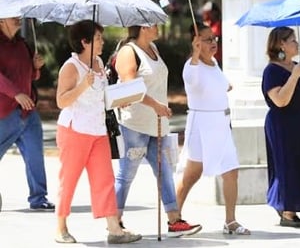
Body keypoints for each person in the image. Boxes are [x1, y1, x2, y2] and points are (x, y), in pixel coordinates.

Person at [55, 20, 141, 244]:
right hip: (75, 131)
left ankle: (114, 229)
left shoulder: (99, 62)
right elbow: (61, 101)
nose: (103, 42)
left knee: (105, 180)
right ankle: (61, 227)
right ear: (84, 42)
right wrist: (82, 85)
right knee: (69, 180)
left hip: (98, 130)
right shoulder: (70, 67)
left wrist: (118, 100)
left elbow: (101, 96)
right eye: (98, 38)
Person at [114, 25, 201, 238]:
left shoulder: (153, 48)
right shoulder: (129, 51)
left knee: (164, 172)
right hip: (135, 124)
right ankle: (114, 222)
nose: (158, 26)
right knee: (127, 174)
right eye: (153, 23)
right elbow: (130, 87)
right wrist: (156, 105)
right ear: (143, 27)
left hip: (157, 124)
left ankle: (174, 220)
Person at [175, 22, 250, 235]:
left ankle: (230, 220)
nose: (213, 42)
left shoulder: (214, 63)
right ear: (196, 42)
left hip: (221, 125)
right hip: (201, 126)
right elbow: (192, 81)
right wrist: (196, 54)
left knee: (231, 171)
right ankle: (174, 216)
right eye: (208, 39)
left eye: (214, 38)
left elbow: (224, 84)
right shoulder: (192, 65)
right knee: (191, 174)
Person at [261, 27, 300, 228]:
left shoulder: (296, 66)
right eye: (292, 40)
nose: (297, 43)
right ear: (281, 44)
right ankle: (287, 211)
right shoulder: (272, 70)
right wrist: (294, 76)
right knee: (288, 168)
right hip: (283, 127)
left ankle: (286, 205)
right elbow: (280, 100)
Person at [0, 16, 54, 211]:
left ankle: (39, 198)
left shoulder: (23, 44)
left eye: (18, 16)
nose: (17, 19)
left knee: (35, 156)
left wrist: (36, 68)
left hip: (28, 112)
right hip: (4, 113)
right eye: (12, 16)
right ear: (0, 20)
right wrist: (16, 94)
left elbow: (29, 75)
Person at [202, 1, 222, 68]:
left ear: (214, 12)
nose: (206, 16)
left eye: (208, 13)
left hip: (218, 58)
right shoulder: (207, 24)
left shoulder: (219, 25)